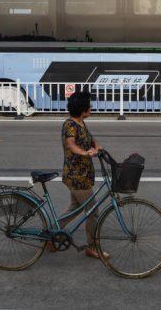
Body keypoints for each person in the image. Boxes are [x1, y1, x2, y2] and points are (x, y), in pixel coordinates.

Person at [52, 90, 109, 259]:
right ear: (82, 109)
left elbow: (89, 139)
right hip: (76, 176)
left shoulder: (81, 122)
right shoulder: (70, 124)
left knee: (75, 208)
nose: (91, 108)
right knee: (93, 211)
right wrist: (85, 153)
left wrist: (98, 146)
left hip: (82, 174)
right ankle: (92, 247)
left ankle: (51, 234)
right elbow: (70, 144)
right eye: (89, 106)